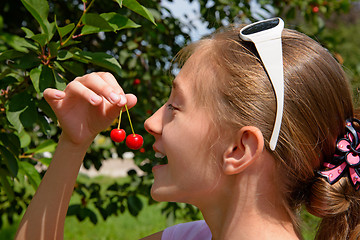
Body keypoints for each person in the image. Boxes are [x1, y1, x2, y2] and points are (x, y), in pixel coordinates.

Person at [15, 17, 360, 240]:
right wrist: (73, 143)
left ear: (239, 150)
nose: (150, 122)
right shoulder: (190, 237)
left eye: (174, 107)